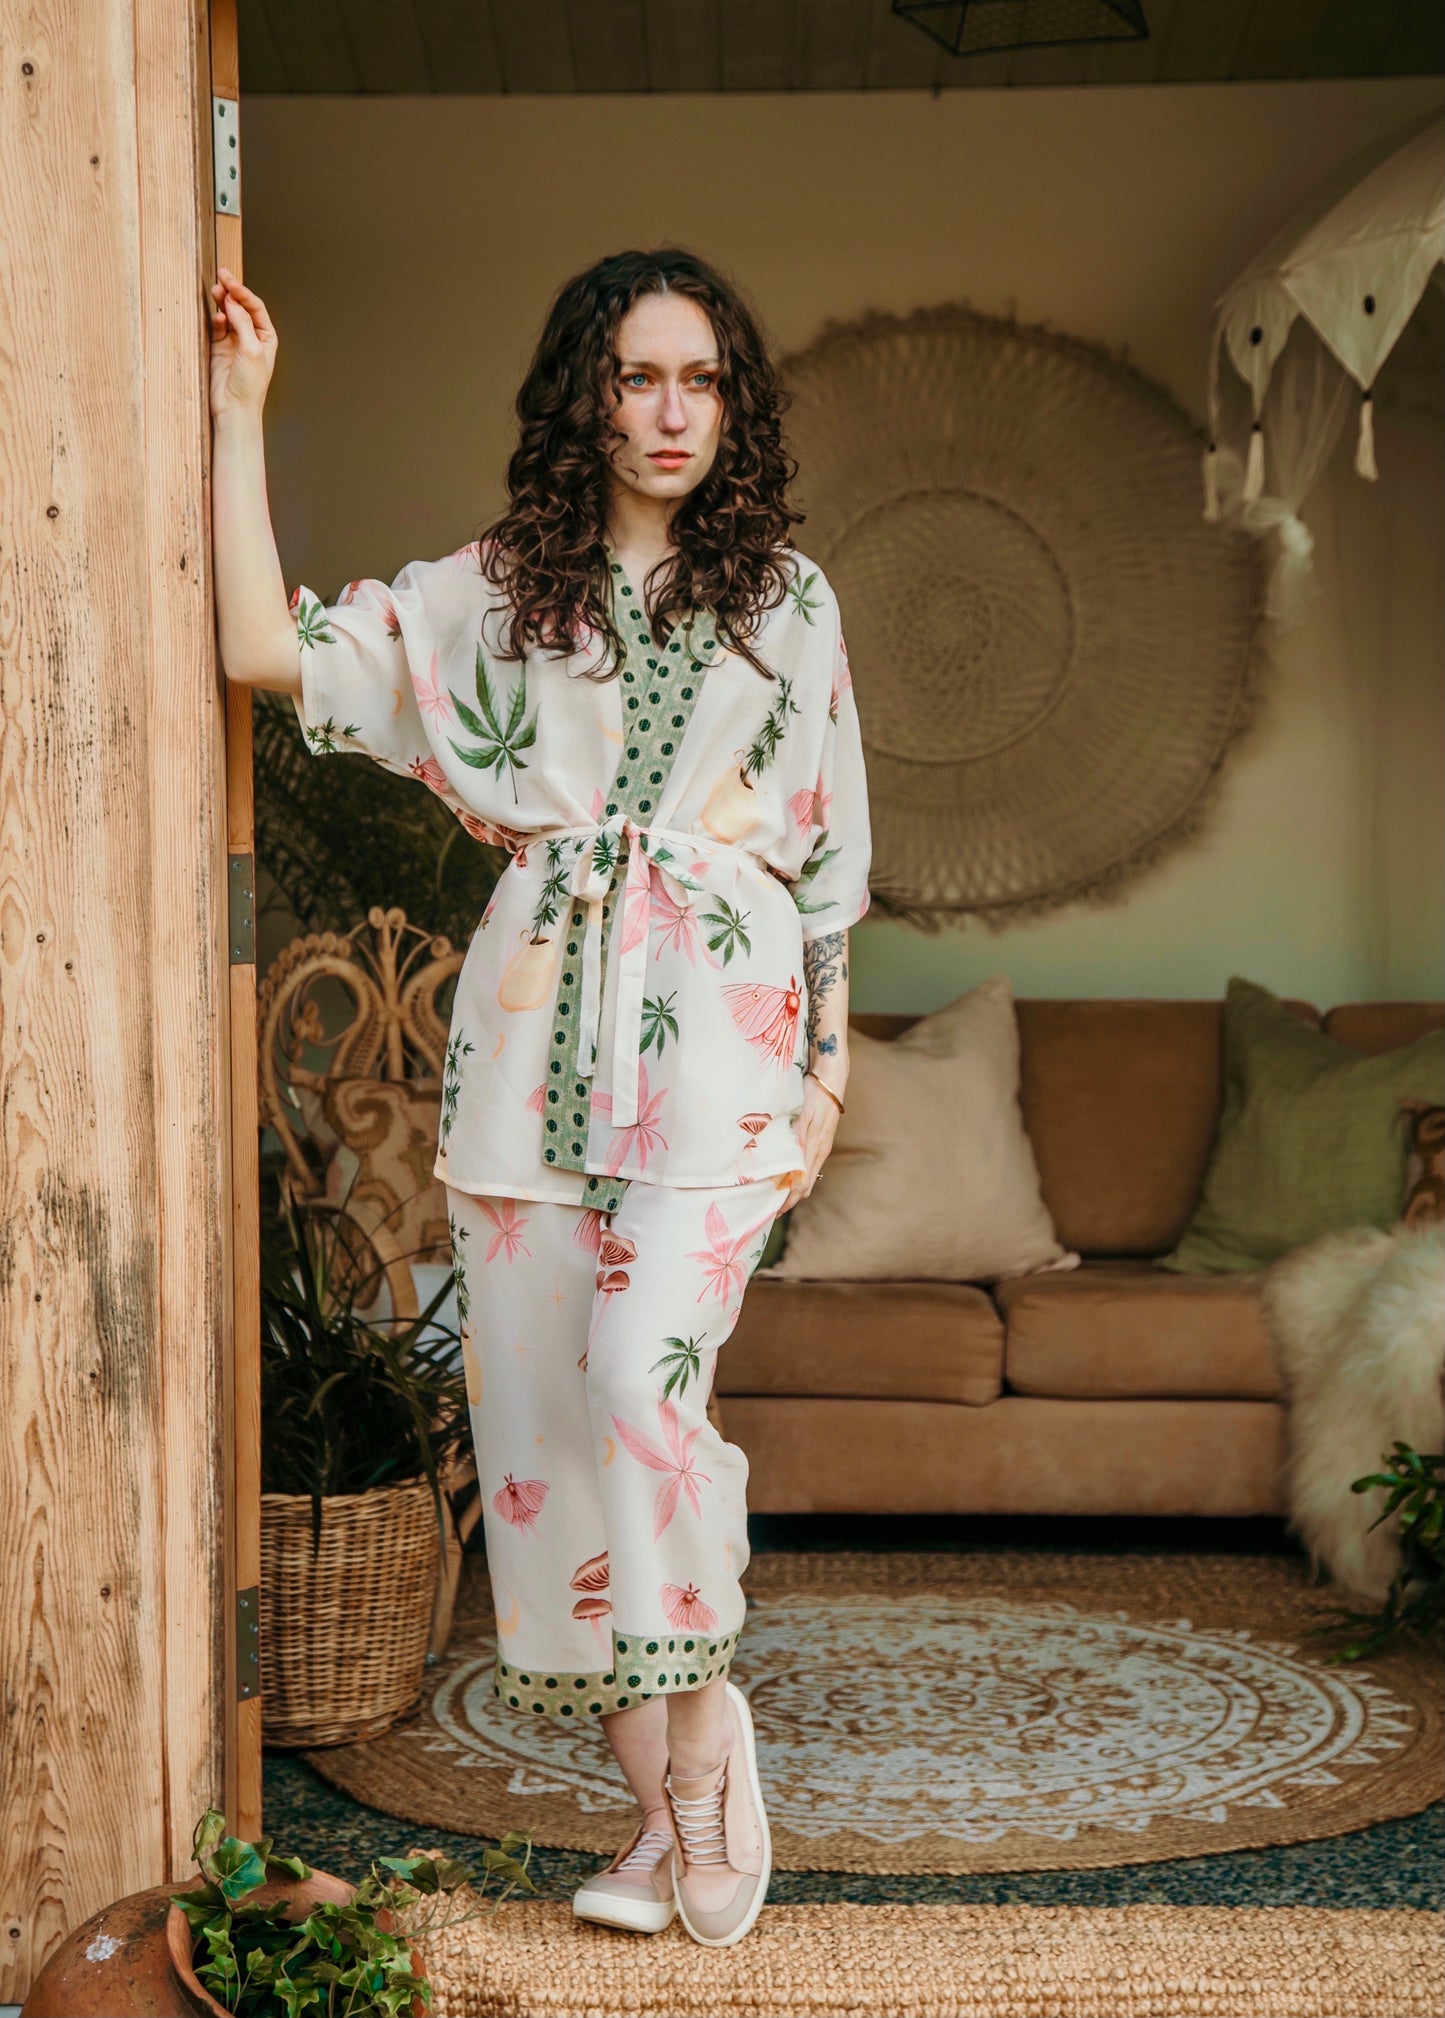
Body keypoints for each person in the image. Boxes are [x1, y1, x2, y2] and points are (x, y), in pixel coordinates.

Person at [208, 245, 871, 1948]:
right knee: (551, 1439)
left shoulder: (787, 601)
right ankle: (657, 1817)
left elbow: (826, 854)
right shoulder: (496, 591)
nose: (672, 412)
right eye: (639, 376)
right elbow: (261, 646)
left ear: (733, 404)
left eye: (701, 380)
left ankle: (707, 1740)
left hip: (722, 1043)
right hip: (532, 1055)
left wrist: (827, 1064)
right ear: (588, 395)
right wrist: (236, 410)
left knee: (641, 1383)